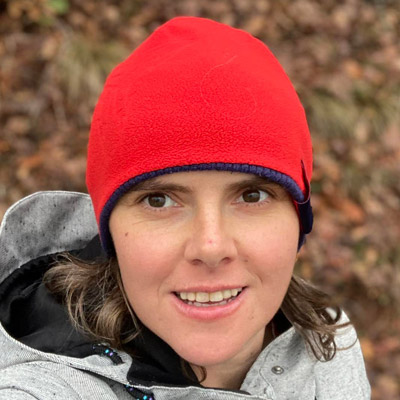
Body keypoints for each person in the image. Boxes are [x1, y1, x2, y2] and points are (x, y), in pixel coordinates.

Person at [0, 16, 370, 399]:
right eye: (158, 200)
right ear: (110, 231)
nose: (211, 247)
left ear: (298, 219)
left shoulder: (328, 341)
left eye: (252, 196)